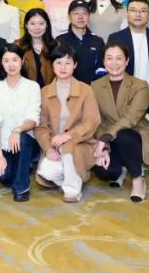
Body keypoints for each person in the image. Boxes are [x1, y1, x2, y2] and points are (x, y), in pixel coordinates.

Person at [32, 44, 100, 203]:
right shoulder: (44, 92)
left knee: (68, 147)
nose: (63, 67)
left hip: (80, 144)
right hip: (54, 146)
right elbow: (41, 127)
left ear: (75, 65)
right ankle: (73, 176)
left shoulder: (86, 90)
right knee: (47, 172)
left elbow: (92, 121)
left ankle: (72, 190)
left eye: (68, 63)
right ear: (52, 65)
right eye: (58, 62)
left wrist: (69, 135)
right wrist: (48, 148)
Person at [90, 43, 149, 201]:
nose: (114, 63)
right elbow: (96, 119)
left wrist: (105, 137)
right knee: (105, 172)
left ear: (127, 61)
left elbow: (131, 118)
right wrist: (104, 146)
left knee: (124, 135)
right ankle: (122, 169)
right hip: (109, 137)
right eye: (109, 58)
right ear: (104, 62)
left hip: (134, 134)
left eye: (119, 58)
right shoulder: (95, 86)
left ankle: (138, 179)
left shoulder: (140, 85)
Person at [0, 44, 42, 201]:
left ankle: (21, 188)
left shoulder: (32, 87)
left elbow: (33, 120)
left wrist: (17, 130)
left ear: (22, 61)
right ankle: (22, 167)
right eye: (6, 61)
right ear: (1, 63)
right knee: (2, 175)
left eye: (15, 60)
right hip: (2, 143)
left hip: (25, 142)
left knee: (23, 139)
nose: (11, 64)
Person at [107, 0, 149, 89]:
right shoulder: (115, 38)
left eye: (143, 11)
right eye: (133, 10)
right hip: (125, 91)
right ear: (126, 14)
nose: (138, 14)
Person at [57, 0, 104, 84]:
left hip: (92, 89)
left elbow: (101, 69)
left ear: (89, 16)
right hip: (67, 88)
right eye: (76, 13)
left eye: (84, 13)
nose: (80, 17)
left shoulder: (98, 41)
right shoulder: (60, 40)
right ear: (69, 16)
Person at [17, 8, 56, 87]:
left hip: (50, 91)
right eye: (32, 24)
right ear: (26, 25)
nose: (37, 27)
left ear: (47, 25)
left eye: (41, 23)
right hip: (25, 91)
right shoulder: (18, 45)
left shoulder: (56, 46)